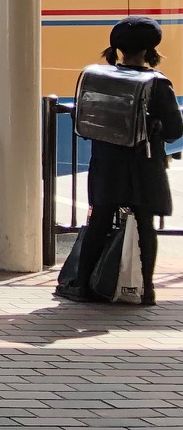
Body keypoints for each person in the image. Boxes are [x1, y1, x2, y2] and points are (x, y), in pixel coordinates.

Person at [72, 17, 179, 305]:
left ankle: (83, 285)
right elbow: (174, 130)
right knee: (145, 225)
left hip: (105, 164)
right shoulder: (156, 83)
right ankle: (145, 290)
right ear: (150, 49)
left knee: (99, 221)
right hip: (142, 166)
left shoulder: (96, 76)